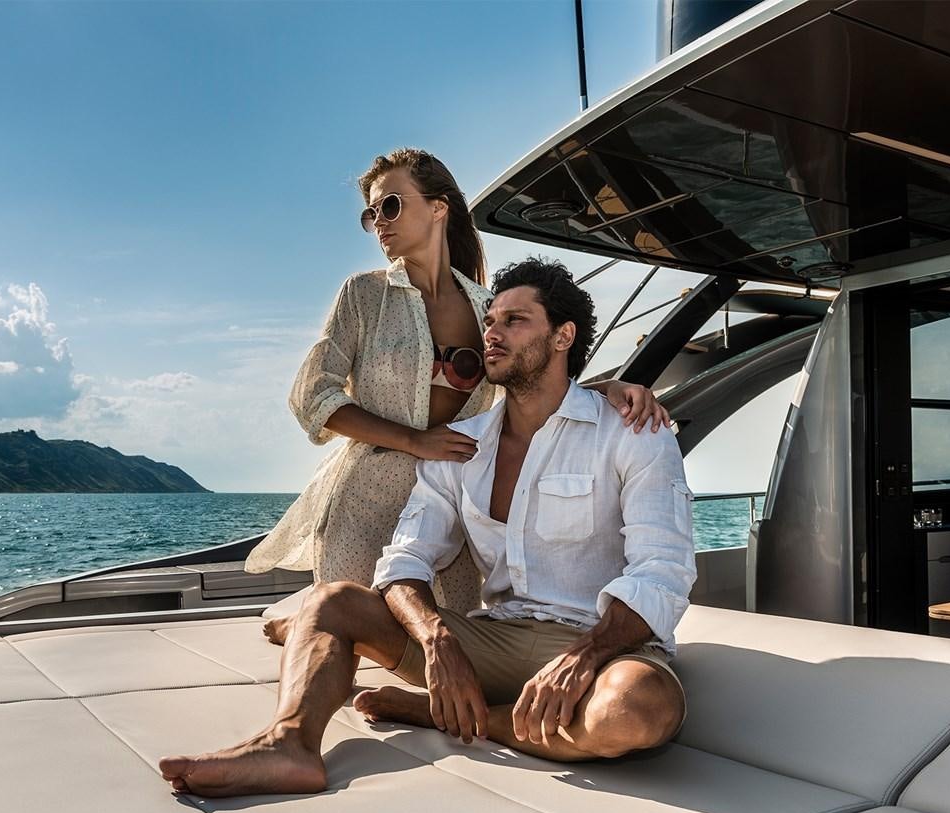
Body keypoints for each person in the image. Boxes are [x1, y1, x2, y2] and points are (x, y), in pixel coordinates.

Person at [159, 257, 696, 797]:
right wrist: (436, 638)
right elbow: (405, 559)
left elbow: (663, 569)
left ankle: (462, 718)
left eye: (515, 321)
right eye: (490, 321)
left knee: (637, 712)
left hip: (602, 645)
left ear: (563, 336)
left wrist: (585, 656)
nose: (493, 333)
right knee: (329, 602)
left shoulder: (631, 431)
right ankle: (290, 745)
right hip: (498, 639)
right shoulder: (460, 446)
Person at [247, 149, 669, 640]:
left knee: (454, 643)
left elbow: (529, 383)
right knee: (345, 637)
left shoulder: (487, 307)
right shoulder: (362, 295)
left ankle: (297, 618)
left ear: (438, 207)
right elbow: (313, 397)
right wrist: (414, 440)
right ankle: (298, 621)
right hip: (365, 497)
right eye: (371, 214)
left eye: (390, 206)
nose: (378, 222)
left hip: (455, 499)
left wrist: (609, 388)